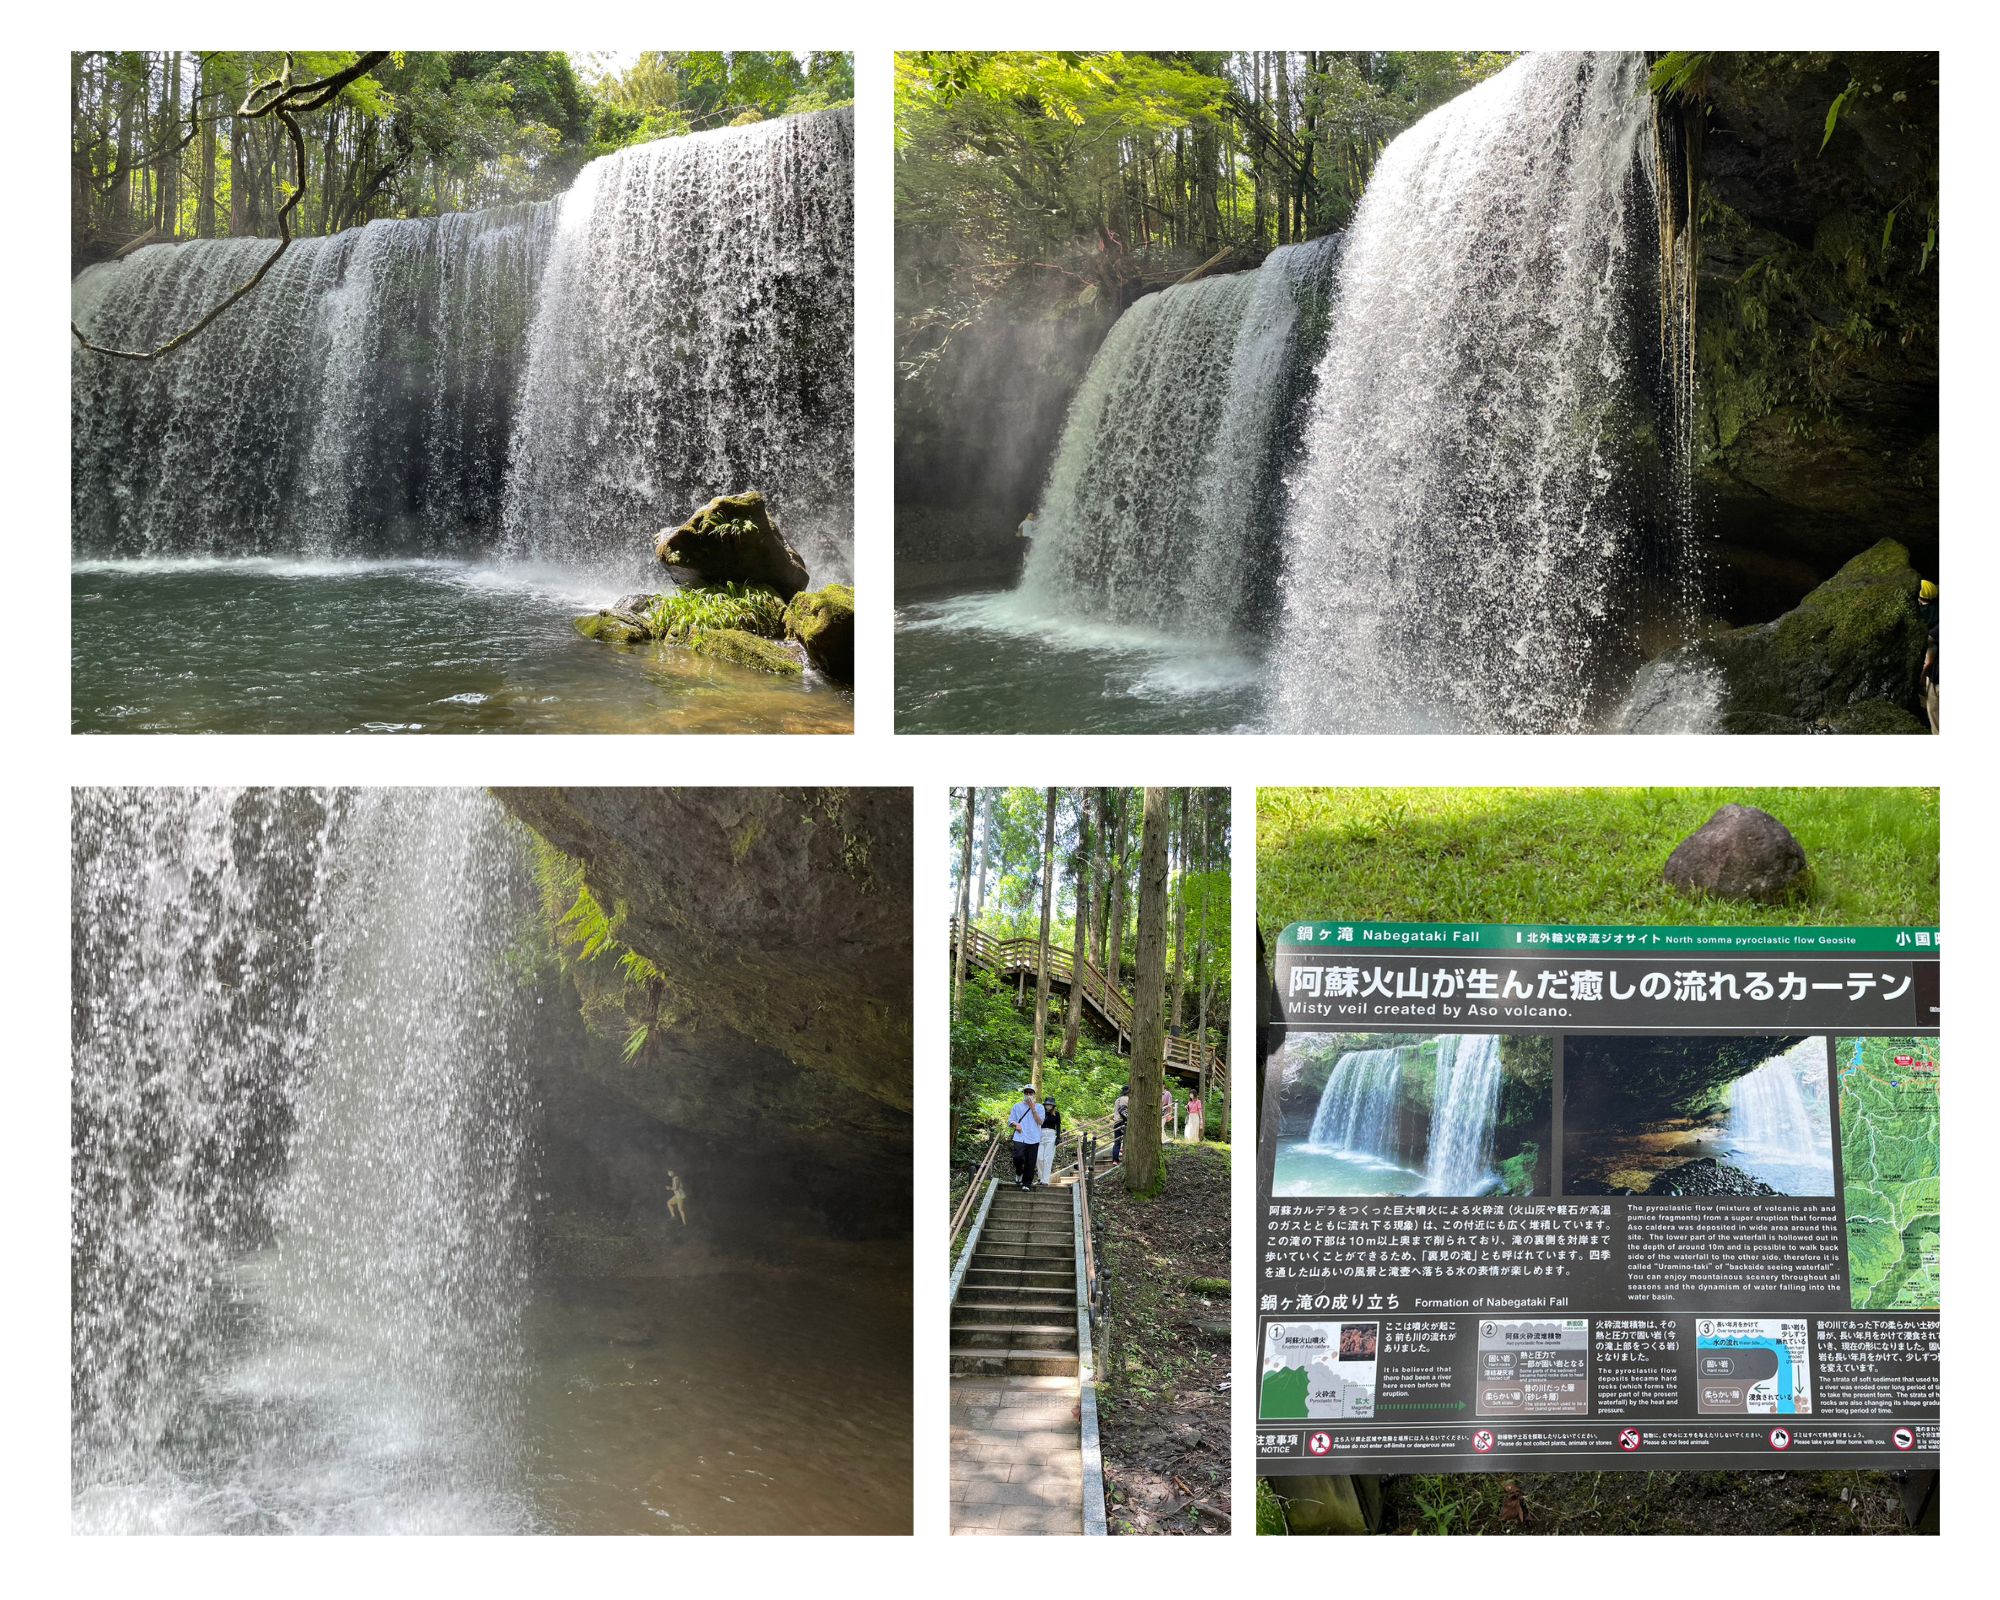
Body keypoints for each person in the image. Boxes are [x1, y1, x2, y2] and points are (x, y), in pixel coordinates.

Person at [1008, 1085, 1044, 1189]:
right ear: (1024, 1094)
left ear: (1034, 1094)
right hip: (1020, 1137)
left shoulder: (1040, 1107)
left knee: (1031, 1161)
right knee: (1017, 1157)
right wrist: (1016, 1124)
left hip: (1034, 1138)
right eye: (1026, 1093)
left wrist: (1033, 1108)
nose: (1028, 1095)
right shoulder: (1017, 1106)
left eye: (1030, 1093)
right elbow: (1010, 1121)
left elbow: (1040, 1121)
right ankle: (1019, 1172)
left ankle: (1026, 1183)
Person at [1919, 578, 1939, 733]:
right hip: (1933, 671)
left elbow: (1929, 658)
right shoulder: (1938, 610)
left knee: (1934, 712)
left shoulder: (1921, 615)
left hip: (1934, 675)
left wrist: (1921, 676)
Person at [1038, 1097, 1062, 1185]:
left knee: (1047, 1158)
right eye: (1047, 1104)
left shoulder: (1056, 1114)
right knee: (1039, 1158)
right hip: (1041, 1135)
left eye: (1050, 1105)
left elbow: (1058, 1126)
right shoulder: (1041, 1113)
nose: (1048, 1106)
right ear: (1045, 1105)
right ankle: (1040, 1177)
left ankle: (1045, 1180)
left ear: (1053, 1106)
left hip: (1051, 1136)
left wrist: (1058, 1137)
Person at [1110, 1086, 1129, 1165]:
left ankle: (1115, 1160)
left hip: (1116, 1122)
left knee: (1117, 1142)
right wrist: (1128, 1119)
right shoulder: (1126, 1099)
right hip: (1123, 1122)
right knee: (1127, 1138)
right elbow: (1123, 1110)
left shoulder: (1117, 1099)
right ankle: (1123, 1150)